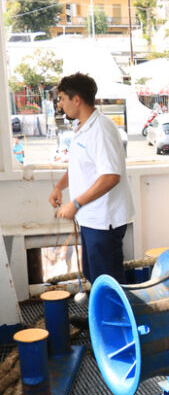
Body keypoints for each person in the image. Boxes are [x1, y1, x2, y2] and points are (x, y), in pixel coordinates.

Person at [48, 72, 134, 285]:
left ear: (76, 99)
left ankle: (116, 318)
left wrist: (75, 204)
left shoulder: (101, 129)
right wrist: (59, 187)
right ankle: (101, 317)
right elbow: (79, 167)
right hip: (90, 218)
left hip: (104, 220)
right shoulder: (82, 128)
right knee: (93, 274)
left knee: (106, 280)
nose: (60, 104)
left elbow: (111, 176)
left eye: (62, 98)